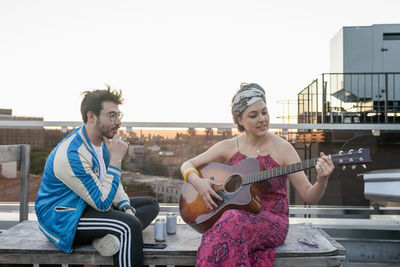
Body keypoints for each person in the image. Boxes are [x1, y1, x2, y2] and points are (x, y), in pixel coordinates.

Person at [180, 83, 334, 267]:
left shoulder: (283, 148)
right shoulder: (229, 146)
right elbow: (187, 165)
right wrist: (199, 182)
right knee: (230, 221)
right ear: (240, 120)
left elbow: (309, 196)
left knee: (228, 223)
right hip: (234, 218)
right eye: (253, 115)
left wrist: (322, 179)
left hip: (272, 220)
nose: (262, 119)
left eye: (264, 112)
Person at [35, 86, 159, 267]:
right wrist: (116, 160)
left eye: (118, 115)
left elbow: (113, 183)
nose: (118, 122)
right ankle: (110, 233)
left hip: (87, 205)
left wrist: (126, 208)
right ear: (91, 117)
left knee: (151, 205)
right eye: (111, 115)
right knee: (128, 227)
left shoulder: (101, 144)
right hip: (63, 217)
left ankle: (103, 237)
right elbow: (102, 203)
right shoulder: (73, 153)